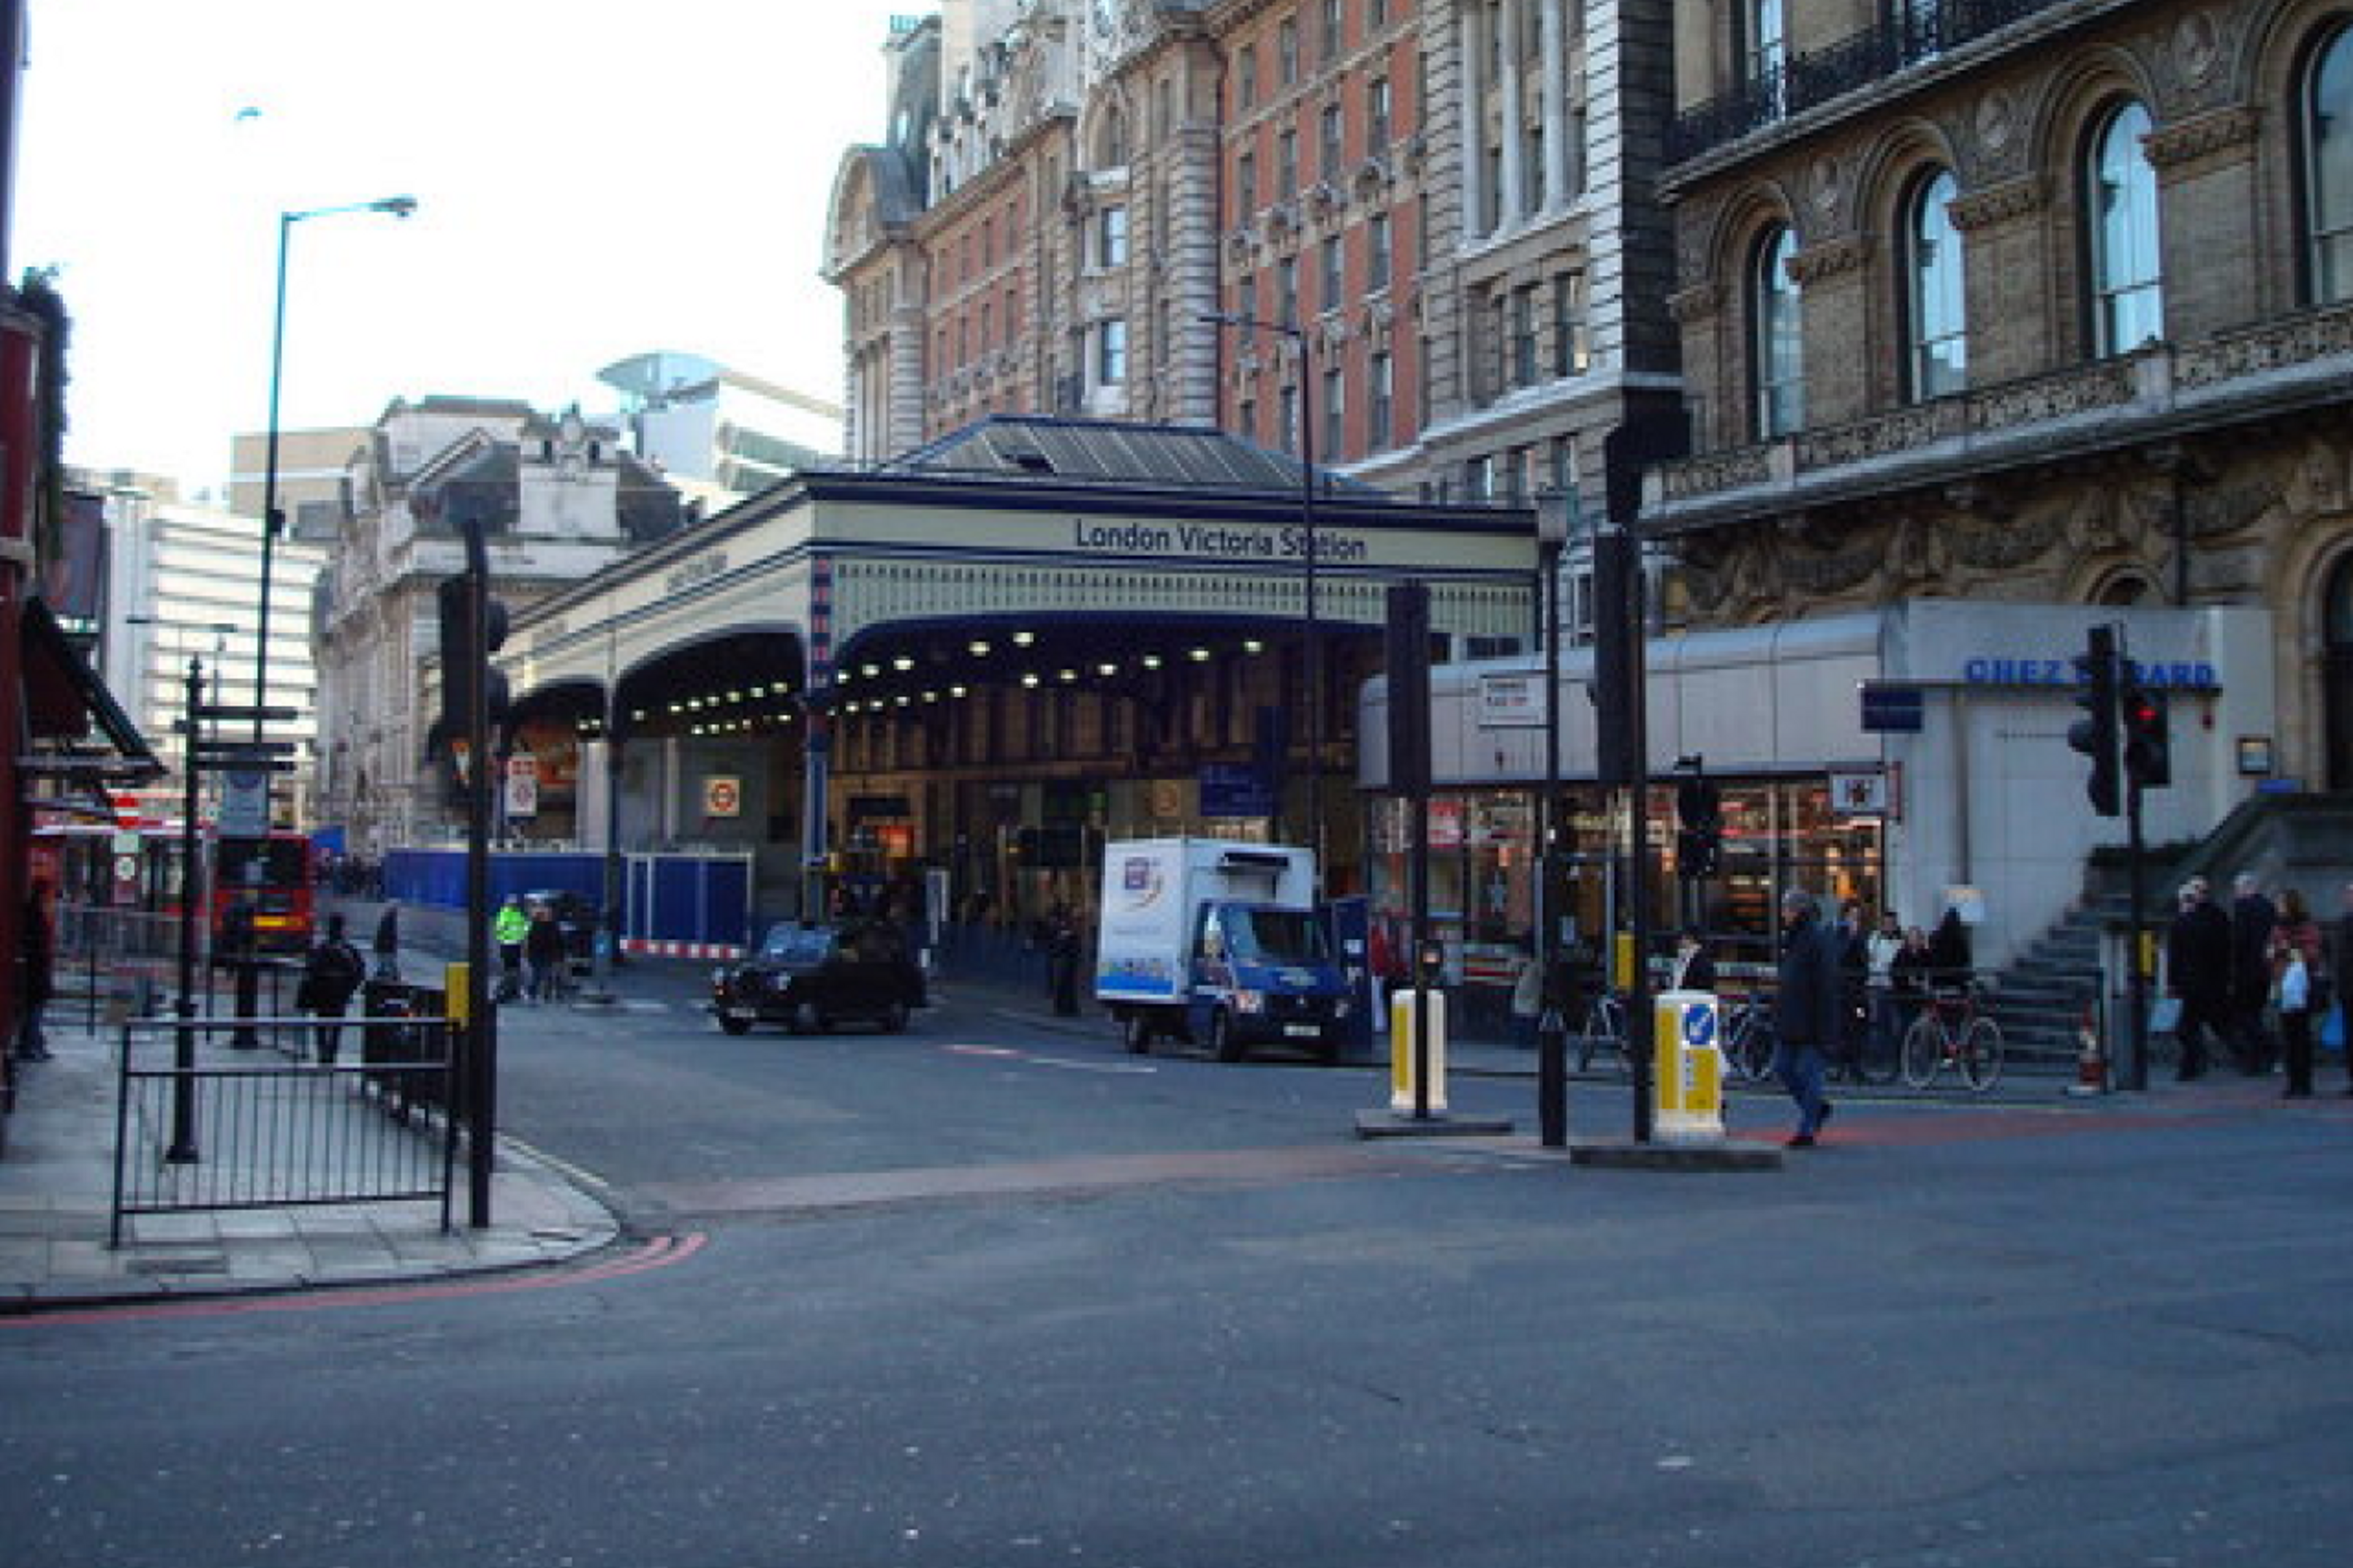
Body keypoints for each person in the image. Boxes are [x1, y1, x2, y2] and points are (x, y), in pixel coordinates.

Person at [1773, 888, 1840, 1148]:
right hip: (1791, 1016)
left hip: (1811, 1019)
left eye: (1786, 908)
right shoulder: (1792, 938)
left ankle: (1807, 1129)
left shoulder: (1816, 939)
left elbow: (1825, 985)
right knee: (1783, 1067)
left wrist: (1826, 1026)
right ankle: (1816, 1110)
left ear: (1797, 910)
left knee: (1810, 1074)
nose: (1783, 914)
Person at [2164, 878, 2234, 1081]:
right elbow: (2221, 952)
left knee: (2187, 1028)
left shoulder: (2181, 924)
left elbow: (2175, 958)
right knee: (2210, 1025)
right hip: (2209, 983)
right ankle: (2196, 1063)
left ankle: (2191, 1065)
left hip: (2189, 984)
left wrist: (2172, 983)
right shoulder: (2210, 922)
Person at [2270, 888, 2326, 1099]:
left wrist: (2288, 949)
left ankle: (2304, 1082)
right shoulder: (2277, 928)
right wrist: (2273, 953)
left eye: (2281, 904)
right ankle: (2293, 1081)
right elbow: (2270, 953)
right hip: (2282, 984)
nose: (2278, 907)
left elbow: (2311, 954)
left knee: (2301, 1035)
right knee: (2288, 1036)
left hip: (2301, 987)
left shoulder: (2307, 927)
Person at [2227, 873, 2279, 1075]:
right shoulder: (2268, 906)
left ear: (2246, 887)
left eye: (2237, 889)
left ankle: (2263, 1051)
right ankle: (2260, 1057)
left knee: (2244, 1015)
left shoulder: (2243, 907)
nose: (2235, 893)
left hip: (2247, 970)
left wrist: (2232, 966)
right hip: (2264, 969)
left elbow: (2240, 940)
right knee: (2255, 1013)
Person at [300, 913, 366, 1065]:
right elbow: (359, 972)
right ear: (342, 928)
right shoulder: (348, 950)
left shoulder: (321, 949)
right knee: (336, 1027)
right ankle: (331, 1054)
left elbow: (311, 970)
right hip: (339, 995)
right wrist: (349, 989)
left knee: (321, 1025)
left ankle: (322, 1052)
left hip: (322, 994)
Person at [13, 879, 55, 1062]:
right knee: (34, 1009)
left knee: (34, 1009)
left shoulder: (33, 912)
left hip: (35, 967)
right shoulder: (34, 914)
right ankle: (30, 1045)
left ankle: (33, 1043)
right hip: (35, 968)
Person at [1865, 909, 1903, 1078]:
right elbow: (1871, 960)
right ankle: (1879, 1058)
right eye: (1886, 923)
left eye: (1892, 923)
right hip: (1877, 986)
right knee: (1878, 1023)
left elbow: (1899, 962)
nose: (1889, 926)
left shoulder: (1901, 941)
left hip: (1894, 987)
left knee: (1895, 1024)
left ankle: (1895, 1059)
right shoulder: (1875, 938)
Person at [526, 903, 567, 1003]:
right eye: (546, 914)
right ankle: (533, 994)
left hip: (549, 954)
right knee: (537, 975)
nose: (548, 915)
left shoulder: (553, 926)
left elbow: (559, 941)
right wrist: (528, 954)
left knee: (549, 974)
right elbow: (530, 941)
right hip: (537, 954)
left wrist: (560, 954)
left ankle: (547, 996)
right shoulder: (535, 925)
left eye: (549, 913)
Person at [1509, 936, 1545, 1048]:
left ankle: (1520, 1041)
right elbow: (1544, 973)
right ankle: (1529, 1041)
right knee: (1530, 1016)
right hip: (1532, 990)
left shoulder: (1517, 959)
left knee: (1520, 1015)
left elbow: (1510, 970)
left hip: (1520, 989)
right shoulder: (1535, 962)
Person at [493, 895, 529, 1001]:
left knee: (515, 968)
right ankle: (502, 990)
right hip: (507, 945)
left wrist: (525, 934)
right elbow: (500, 929)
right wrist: (506, 933)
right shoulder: (504, 913)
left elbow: (524, 926)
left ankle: (512, 990)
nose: (514, 905)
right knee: (510, 969)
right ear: (508, 904)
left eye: (515, 904)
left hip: (516, 945)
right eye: (512, 904)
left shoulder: (518, 914)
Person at [1669, 927, 1716, 993]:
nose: (1681, 942)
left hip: (1692, 1000)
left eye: (1686, 938)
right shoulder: (1679, 959)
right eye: (1681, 939)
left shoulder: (1704, 961)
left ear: (1694, 941)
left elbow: (1706, 986)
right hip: (1675, 998)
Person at [372, 900, 402, 981]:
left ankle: (384, 976)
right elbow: (388, 934)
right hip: (385, 946)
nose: (398, 910)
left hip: (384, 946)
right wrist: (392, 947)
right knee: (388, 963)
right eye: (397, 908)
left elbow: (387, 934)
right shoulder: (389, 918)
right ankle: (392, 978)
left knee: (385, 964)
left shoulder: (389, 918)